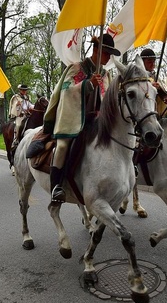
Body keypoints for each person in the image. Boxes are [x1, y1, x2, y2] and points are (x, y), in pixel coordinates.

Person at [43, 33, 119, 203]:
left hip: (97, 122)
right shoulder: (78, 68)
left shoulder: (106, 75)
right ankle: (57, 186)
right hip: (75, 120)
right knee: (62, 146)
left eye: (109, 54)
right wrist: (88, 84)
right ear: (96, 50)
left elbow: (109, 98)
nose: (108, 58)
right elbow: (67, 91)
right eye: (106, 53)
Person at [140, 48, 167, 118]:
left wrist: (165, 98)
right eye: (149, 61)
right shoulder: (137, 75)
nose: (153, 64)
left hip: (155, 112)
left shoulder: (156, 77)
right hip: (141, 111)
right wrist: (150, 86)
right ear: (142, 62)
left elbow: (161, 92)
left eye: (154, 61)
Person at [9, 84, 35, 151]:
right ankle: (15, 140)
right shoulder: (16, 97)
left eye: (25, 90)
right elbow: (14, 107)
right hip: (19, 116)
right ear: (20, 90)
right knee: (18, 125)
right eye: (23, 90)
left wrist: (35, 107)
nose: (24, 91)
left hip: (27, 115)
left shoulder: (27, 97)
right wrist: (17, 105)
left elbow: (30, 105)